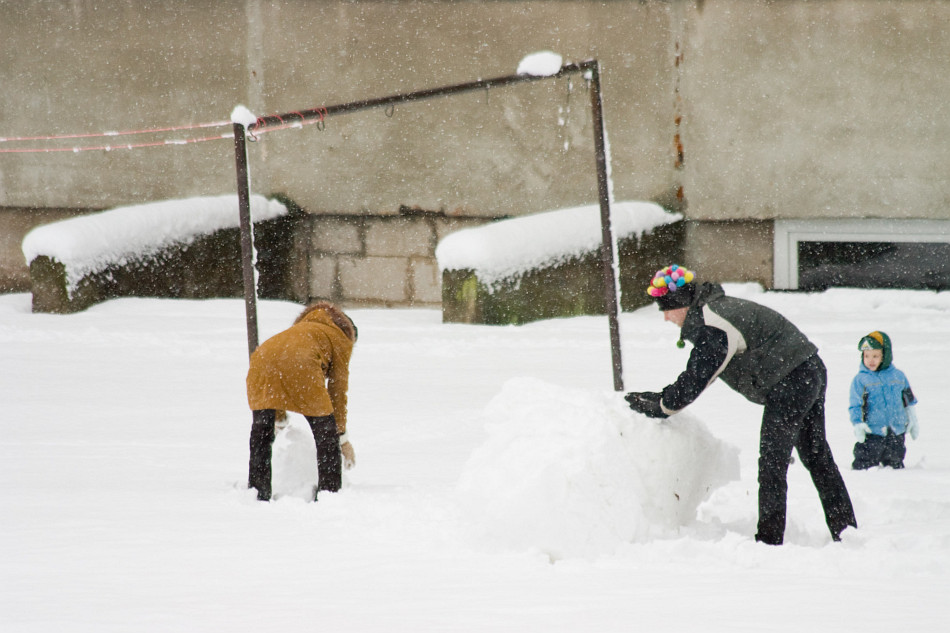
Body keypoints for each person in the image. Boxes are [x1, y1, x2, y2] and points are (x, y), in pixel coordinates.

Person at [625, 264, 857, 545]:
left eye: (666, 309)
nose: (665, 317)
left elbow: (699, 376)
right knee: (816, 456)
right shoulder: (713, 312)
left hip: (791, 379)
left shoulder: (713, 323)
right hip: (808, 368)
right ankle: (847, 531)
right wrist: (664, 398)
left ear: (681, 304)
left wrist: (662, 406)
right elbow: (705, 372)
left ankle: (769, 541)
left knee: (773, 462)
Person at [245, 301, 358, 501]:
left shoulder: (301, 331)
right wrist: (342, 438)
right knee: (326, 434)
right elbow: (338, 389)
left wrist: (278, 418)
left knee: (261, 433)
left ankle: (257, 492)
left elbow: (279, 369)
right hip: (303, 365)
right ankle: (330, 494)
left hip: (260, 359)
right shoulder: (340, 337)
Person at [849, 331, 919, 470]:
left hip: (896, 430)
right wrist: (858, 423)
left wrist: (912, 419)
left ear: (885, 355)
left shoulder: (898, 376)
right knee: (865, 464)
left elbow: (908, 400)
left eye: (875, 356)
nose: (870, 360)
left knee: (895, 463)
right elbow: (855, 405)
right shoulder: (861, 380)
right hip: (872, 431)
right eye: (866, 356)